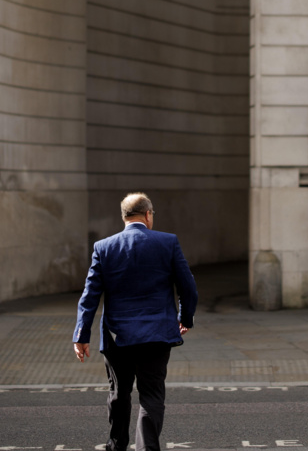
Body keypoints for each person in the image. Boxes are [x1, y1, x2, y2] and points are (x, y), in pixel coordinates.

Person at [73, 192, 199, 451]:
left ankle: (116, 444)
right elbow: (188, 288)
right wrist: (184, 319)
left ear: (124, 217)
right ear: (148, 214)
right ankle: (147, 449)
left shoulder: (104, 247)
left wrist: (81, 335)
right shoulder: (168, 242)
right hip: (156, 334)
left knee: (119, 393)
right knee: (151, 395)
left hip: (118, 336)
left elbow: (90, 296)